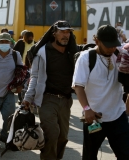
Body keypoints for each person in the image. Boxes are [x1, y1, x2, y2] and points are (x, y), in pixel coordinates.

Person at [22, 20, 78, 160]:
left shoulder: (73, 53)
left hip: (66, 100)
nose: (66, 35)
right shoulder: (43, 52)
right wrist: (28, 98)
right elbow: (34, 76)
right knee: (52, 133)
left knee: (62, 137)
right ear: (54, 34)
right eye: (62, 32)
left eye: (68, 32)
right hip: (47, 99)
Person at [72, 25, 129, 159]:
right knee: (90, 156)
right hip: (94, 117)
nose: (112, 48)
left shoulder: (120, 55)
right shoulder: (86, 58)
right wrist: (87, 109)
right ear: (97, 41)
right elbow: (78, 86)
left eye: (114, 44)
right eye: (108, 45)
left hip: (117, 115)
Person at [13, 31, 35, 105]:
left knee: (29, 84)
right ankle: (20, 98)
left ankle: (28, 99)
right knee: (21, 83)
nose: (30, 39)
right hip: (21, 66)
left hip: (31, 66)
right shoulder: (20, 43)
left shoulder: (35, 44)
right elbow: (14, 52)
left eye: (31, 37)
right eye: (29, 37)